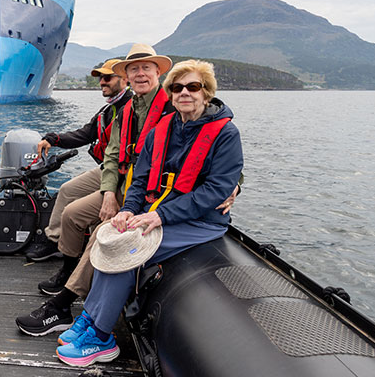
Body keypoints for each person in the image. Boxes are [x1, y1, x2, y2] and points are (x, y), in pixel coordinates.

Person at [55, 59, 244, 367]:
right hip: (157, 210)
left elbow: (215, 191)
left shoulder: (226, 134)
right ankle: (91, 318)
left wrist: (159, 217)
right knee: (115, 236)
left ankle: (102, 337)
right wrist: (128, 210)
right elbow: (140, 179)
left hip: (200, 222)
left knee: (129, 250)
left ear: (206, 93)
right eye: (178, 88)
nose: (185, 93)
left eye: (193, 87)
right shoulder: (162, 131)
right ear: (170, 93)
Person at [24, 59, 133, 262]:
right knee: (67, 190)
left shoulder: (132, 108)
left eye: (107, 77)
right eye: (100, 78)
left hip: (125, 174)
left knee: (76, 210)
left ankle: (72, 255)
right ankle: (55, 240)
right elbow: (85, 134)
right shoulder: (108, 110)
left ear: (124, 79)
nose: (102, 82)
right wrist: (54, 139)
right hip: (108, 170)